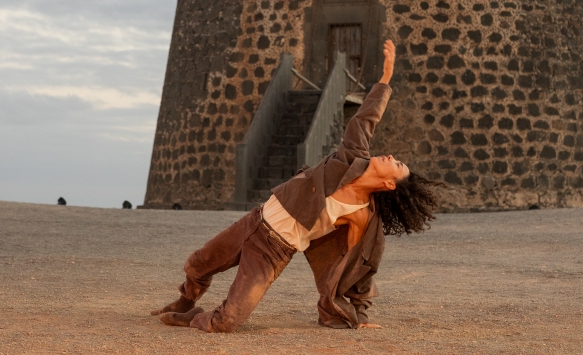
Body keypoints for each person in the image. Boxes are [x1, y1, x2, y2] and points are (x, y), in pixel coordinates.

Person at [152, 40, 444, 332]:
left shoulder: (361, 215)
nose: (391, 157)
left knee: (227, 322)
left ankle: (192, 317)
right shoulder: (351, 157)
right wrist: (386, 77)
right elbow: (366, 118)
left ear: (390, 184)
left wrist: (361, 315)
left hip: (274, 250)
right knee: (200, 262)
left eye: (397, 164)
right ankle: (185, 300)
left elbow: (360, 266)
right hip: (255, 220)